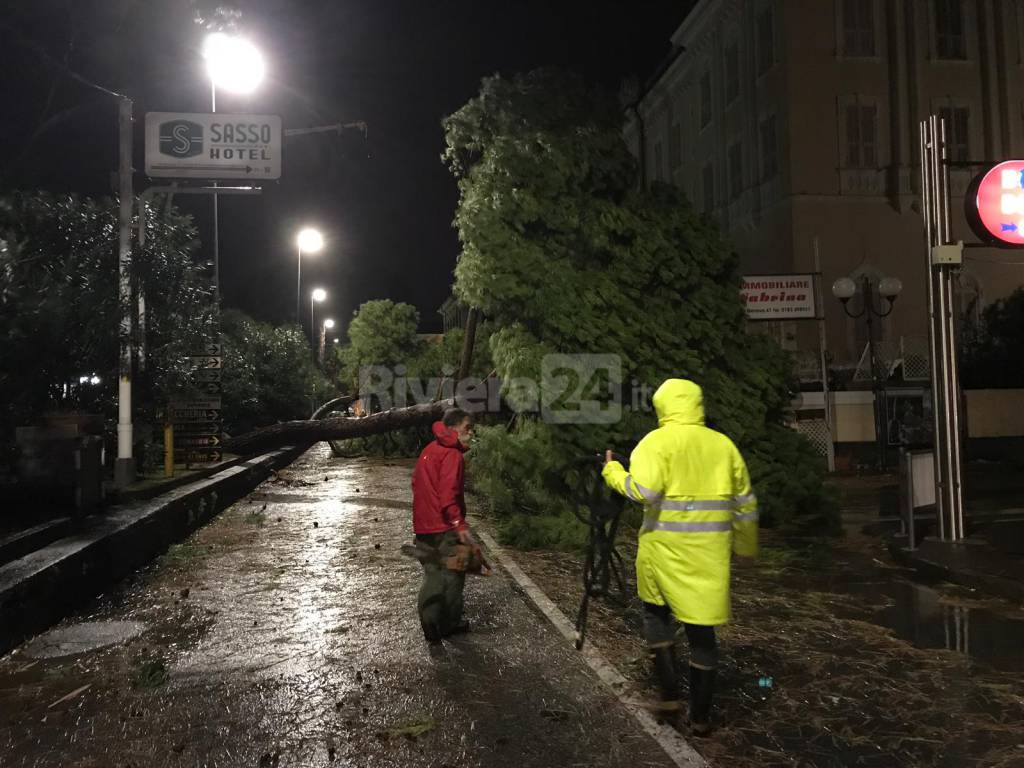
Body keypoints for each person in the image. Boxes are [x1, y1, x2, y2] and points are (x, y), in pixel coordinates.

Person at [602, 379, 758, 735]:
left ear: (662, 406)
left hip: (663, 552)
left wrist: (613, 471)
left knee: (657, 618)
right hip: (708, 559)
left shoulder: (655, 443)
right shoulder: (724, 446)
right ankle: (701, 717)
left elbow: (642, 491)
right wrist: (746, 547)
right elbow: (745, 503)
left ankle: (669, 698)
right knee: (702, 634)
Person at [411, 407, 482, 642]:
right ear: (453, 428)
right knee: (453, 575)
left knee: (433, 573)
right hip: (444, 528)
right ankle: (450, 624)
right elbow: (448, 494)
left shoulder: (429, 450)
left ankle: (430, 622)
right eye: (467, 428)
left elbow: (415, 483)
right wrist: (459, 525)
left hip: (423, 527)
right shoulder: (452, 455)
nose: (470, 433)